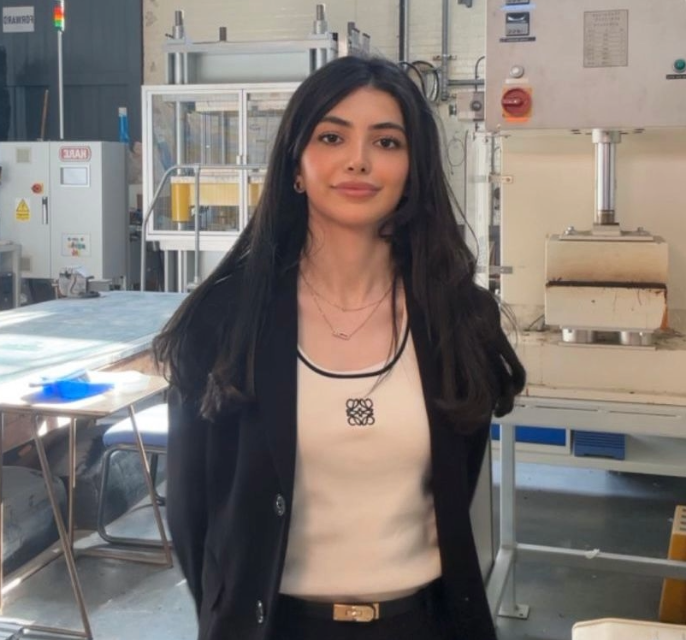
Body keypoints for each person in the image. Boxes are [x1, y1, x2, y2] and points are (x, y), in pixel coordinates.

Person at [154, 55, 526, 640]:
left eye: (386, 141)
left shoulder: (458, 319)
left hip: (422, 625)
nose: (358, 160)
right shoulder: (225, 321)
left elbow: (461, 480)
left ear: (413, 170)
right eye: (332, 137)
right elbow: (191, 511)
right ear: (296, 166)